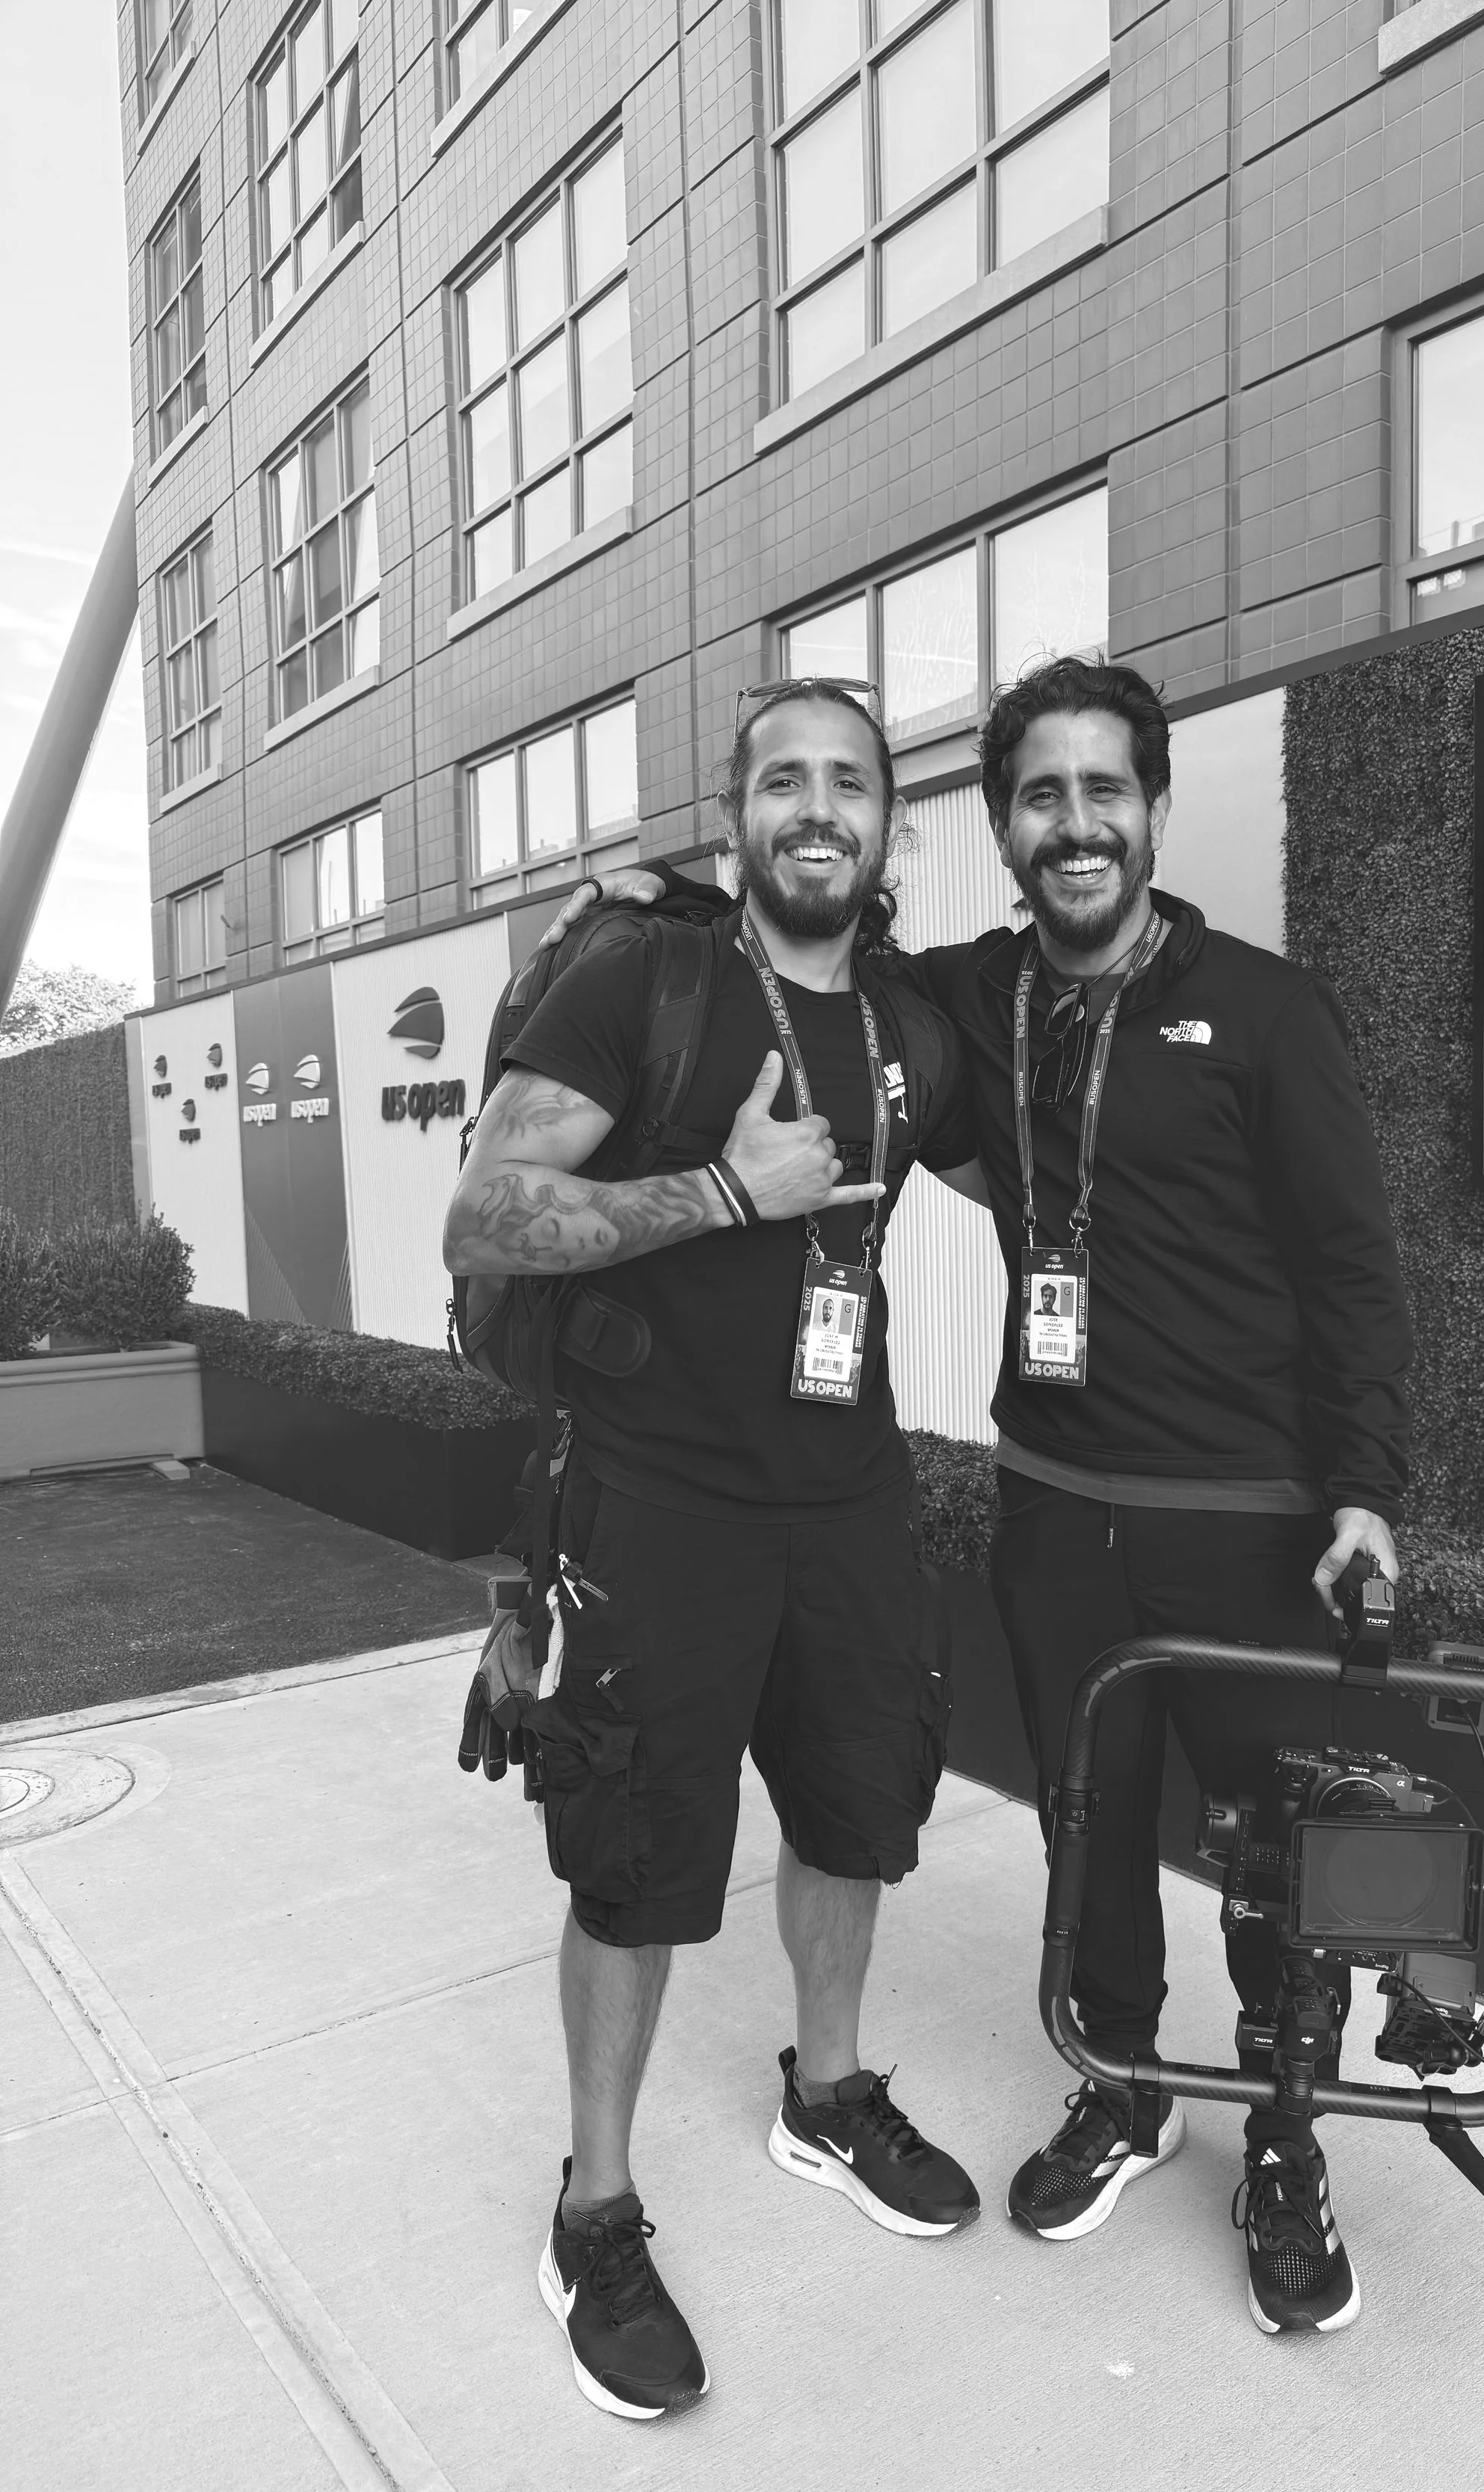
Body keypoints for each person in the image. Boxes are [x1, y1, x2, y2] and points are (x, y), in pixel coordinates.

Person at [561, 655, 1413, 2337]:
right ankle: (1120, 2085)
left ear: (1151, 812)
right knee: (1086, 1834)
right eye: (1042, 795)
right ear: (997, 828)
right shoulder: (957, 997)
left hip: (1244, 1515)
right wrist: (655, 896)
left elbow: (1351, 1270)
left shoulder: (1263, 1008)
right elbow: (799, 936)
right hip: (1051, 1504)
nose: (1075, 824)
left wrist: (1366, 1489)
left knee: (1273, 1850)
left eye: (1106, 790)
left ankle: (1288, 2141)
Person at [443, 680, 982, 2425]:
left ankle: (826, 2093)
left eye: (848, 780)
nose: (814, 805)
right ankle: (593, 2207)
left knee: (856, 1812)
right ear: (740, 813)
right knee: (638, 1857)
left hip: (847, 1499)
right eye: (782, 780)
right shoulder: (647, 982)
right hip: (653, 1504)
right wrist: (724, 1195)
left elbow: (1057, 1141)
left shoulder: (911, 1022)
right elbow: (488, 1212)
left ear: (889, 821)